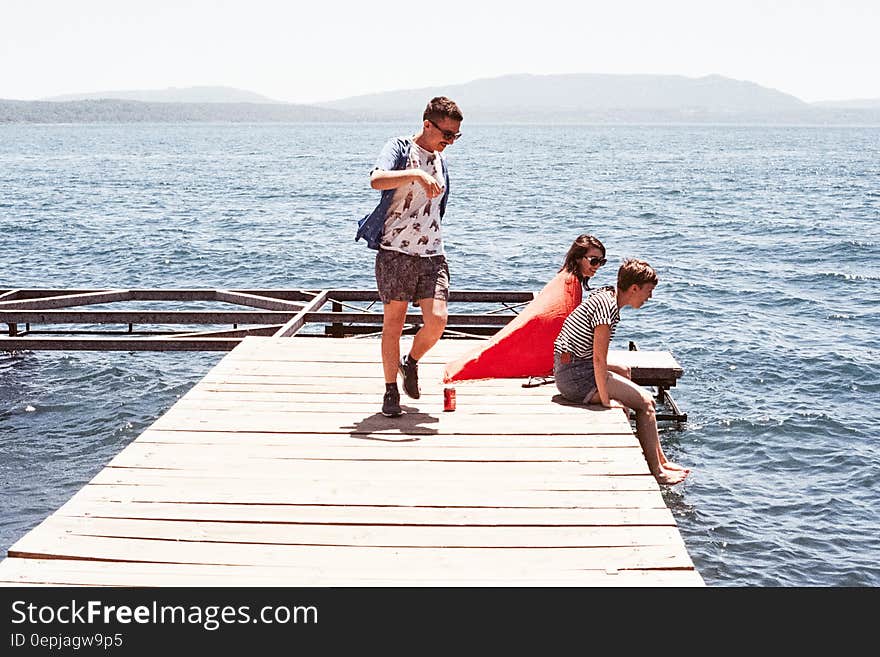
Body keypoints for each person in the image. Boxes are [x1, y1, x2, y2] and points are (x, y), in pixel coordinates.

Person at [355, 96, 463, 417]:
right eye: (446, 134)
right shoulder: (400, 148)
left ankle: (411, 362)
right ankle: (390, 391)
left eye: (455, 136)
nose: (449, 141)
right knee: (394, 323)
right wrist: (415, 175)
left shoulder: (441, 160)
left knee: (437, 321)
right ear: (427, 124)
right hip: (396, 252)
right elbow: (376, 179)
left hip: (432, 254)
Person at [553, 258, 690, 485]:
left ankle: (662, 459)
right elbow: (598, 359)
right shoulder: (607, 312)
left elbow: (596, 357)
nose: (650, 297)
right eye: (648, 291)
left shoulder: (608, 296)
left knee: (624, 370)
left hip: (570, 366)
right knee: (647, 404)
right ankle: (657, 471)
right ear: (634, 288)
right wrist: (607, 400)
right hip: (575, 376)